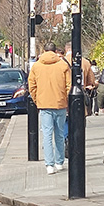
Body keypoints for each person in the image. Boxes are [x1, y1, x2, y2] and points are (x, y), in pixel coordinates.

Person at [27, 42, 71, 175]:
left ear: (44, 51)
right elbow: (69, 85)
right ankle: (59, 162)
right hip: (60, 104)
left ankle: (49, 165)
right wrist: (65, 99)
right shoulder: (63, 65)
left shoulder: (37, 66)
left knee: (46, 134)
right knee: (59, 134)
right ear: (55, 51)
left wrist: (37, 100)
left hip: (44, 104)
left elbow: (32, 86)